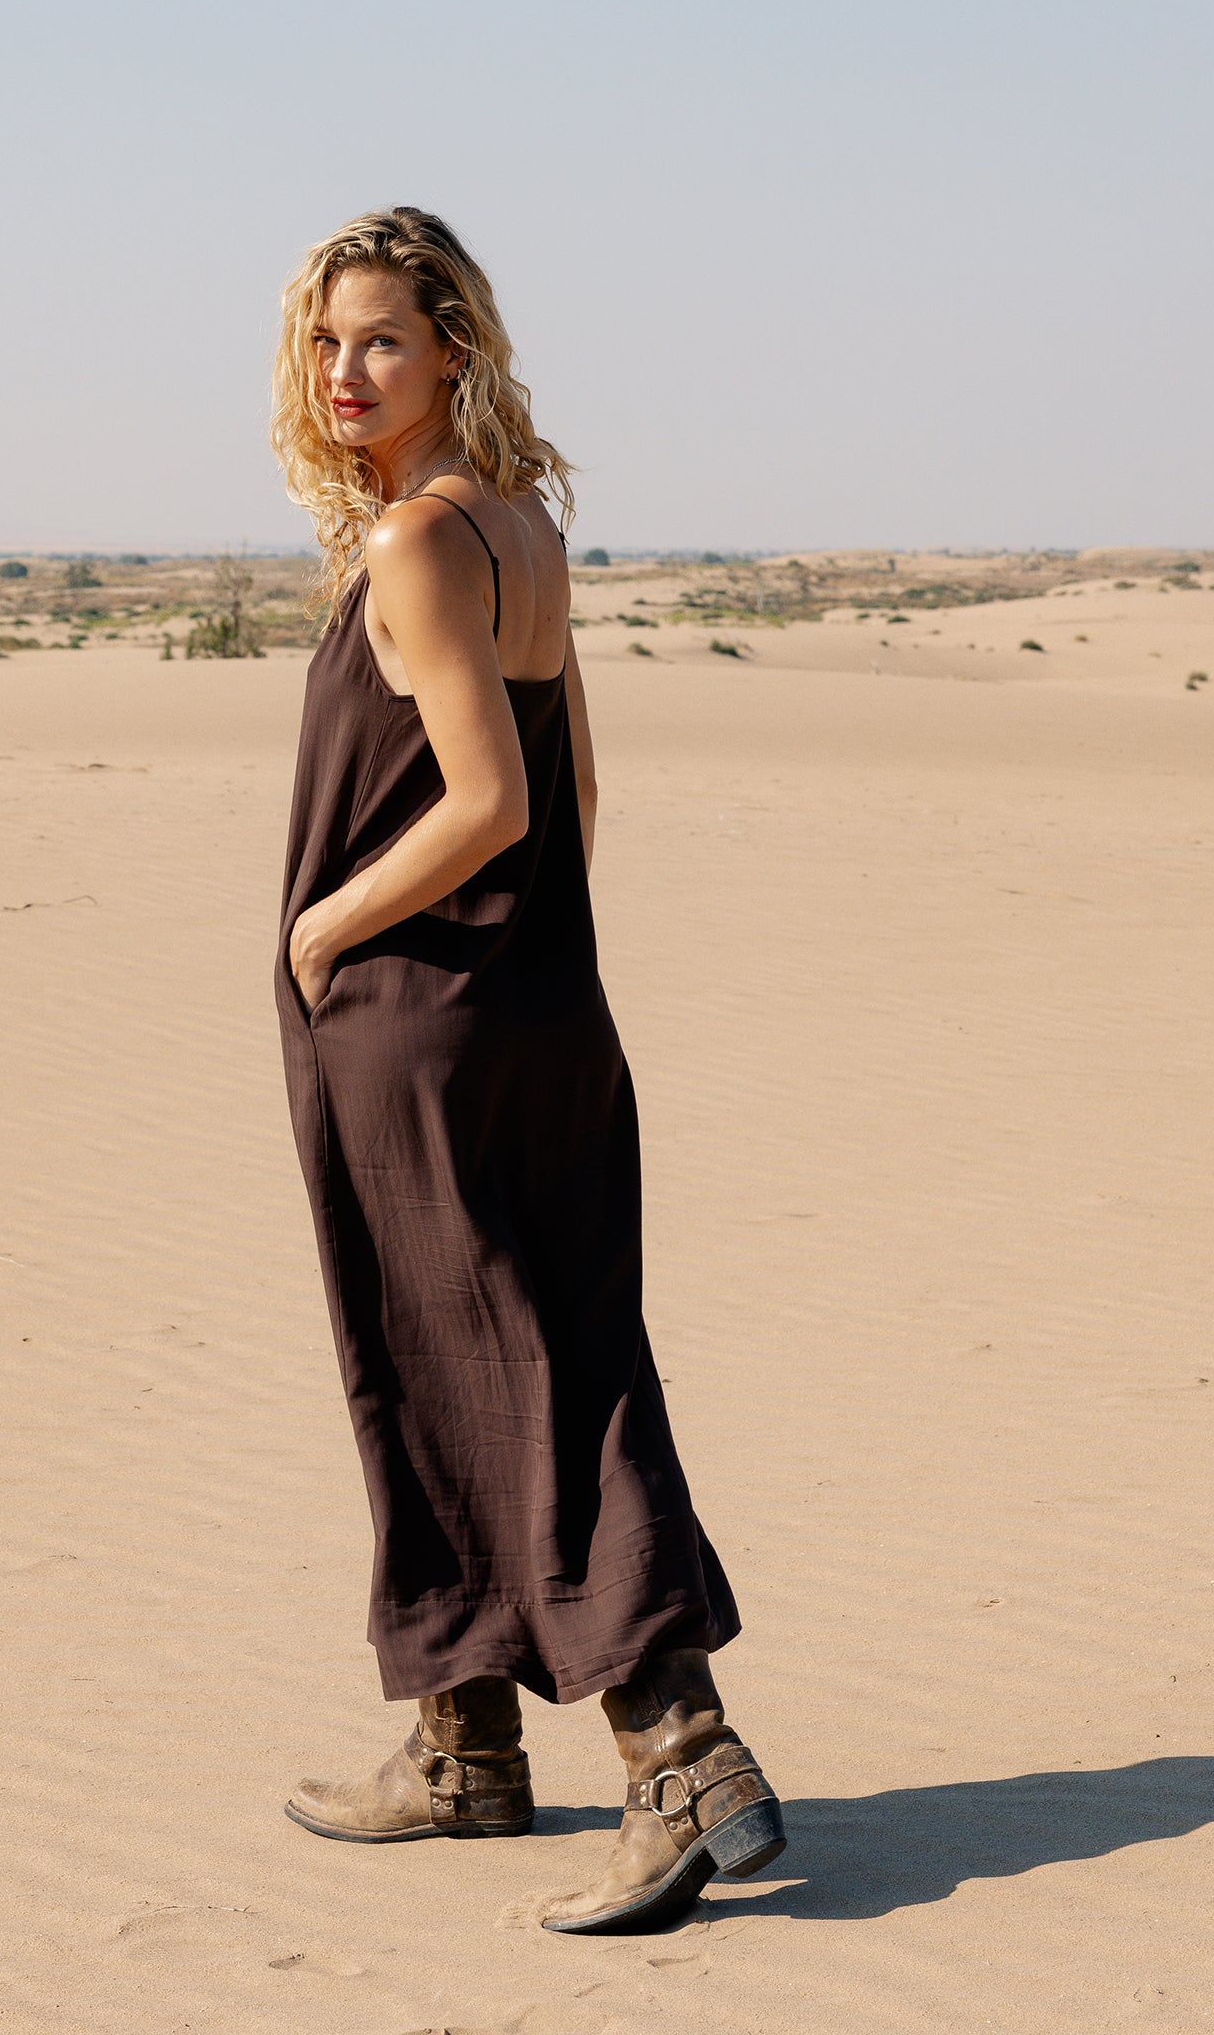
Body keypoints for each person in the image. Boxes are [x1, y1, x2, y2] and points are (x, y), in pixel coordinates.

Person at [270, 207, 784, 1935]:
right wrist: (528, 965)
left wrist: (325, 926)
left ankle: (684, 1758)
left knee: (508, 1374)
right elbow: (577, 786)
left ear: (455, 351)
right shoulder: (520, 527)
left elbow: (490, 801)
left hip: (422, 1019)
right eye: (327, 341)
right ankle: (465, 1741)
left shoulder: (418, 542)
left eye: (383, 340)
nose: (347, 372)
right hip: (538, 1007)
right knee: (496, 1355)